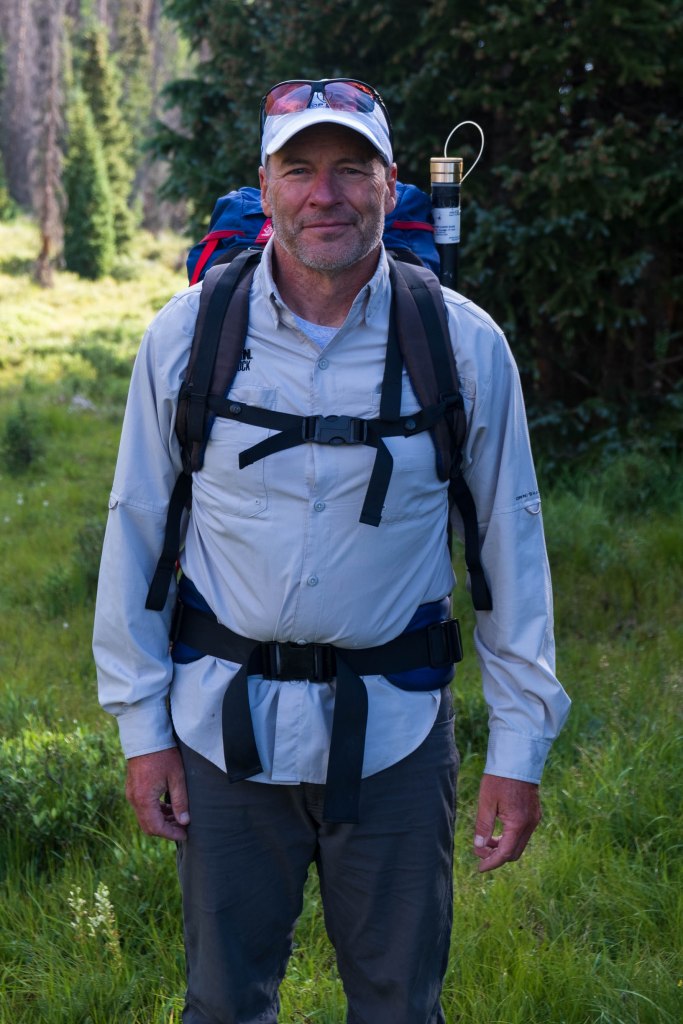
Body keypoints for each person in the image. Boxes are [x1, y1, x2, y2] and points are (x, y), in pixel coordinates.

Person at [93, 77, 570, 1024]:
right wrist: (142, 732)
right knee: (224, 1003)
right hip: (221, 738)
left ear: (391, 186)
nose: (327, 194)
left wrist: (518, 749)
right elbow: (136, 530)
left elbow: (510, 554)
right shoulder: (188, 337)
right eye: (300, 169)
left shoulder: (463, 346)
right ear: (264, 186)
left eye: (352, 169)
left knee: (399, 1004)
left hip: (394, 736)